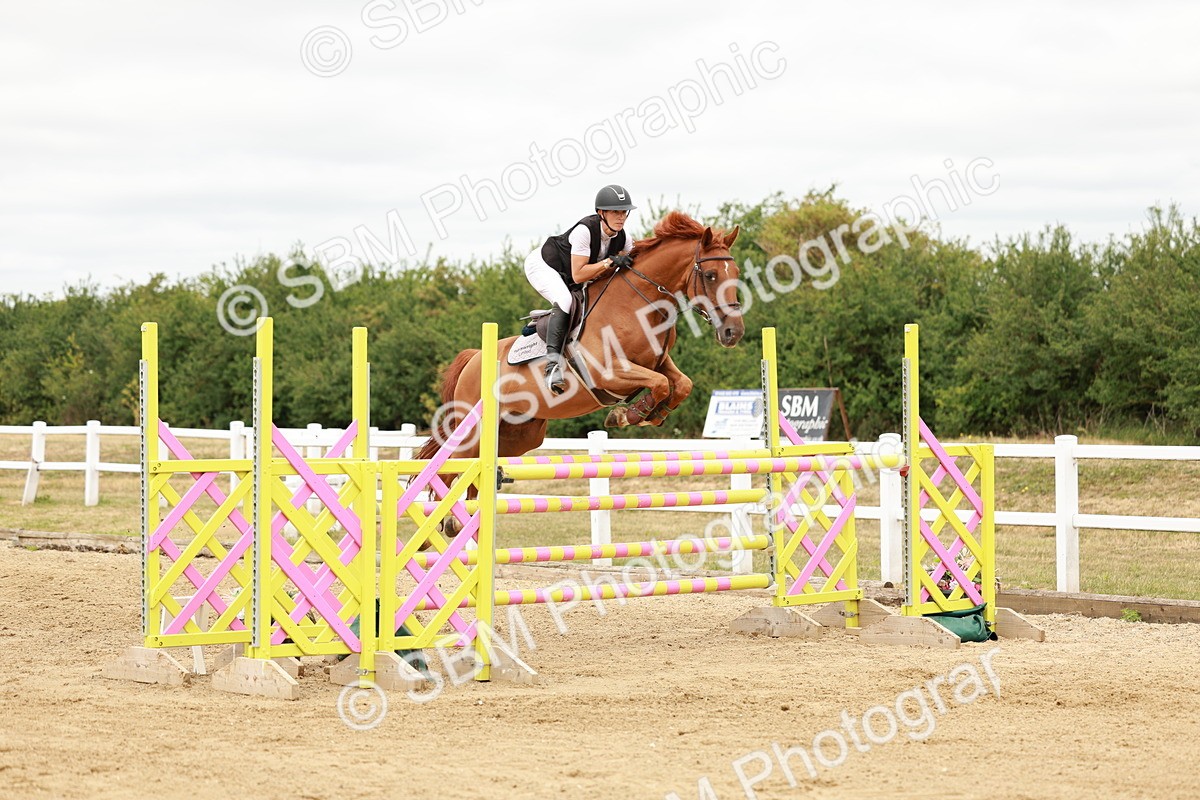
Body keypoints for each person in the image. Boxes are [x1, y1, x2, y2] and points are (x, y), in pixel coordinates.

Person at [524, 184, 637, 394]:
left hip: (570, 274)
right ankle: (552, 367)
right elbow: (579, 274)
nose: (621, 217)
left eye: (623, 212)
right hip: (544, 266)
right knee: (565, 301)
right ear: (601, 213)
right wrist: (609, 263)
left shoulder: (624, 238)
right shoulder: (585, 231)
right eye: (615, 212)